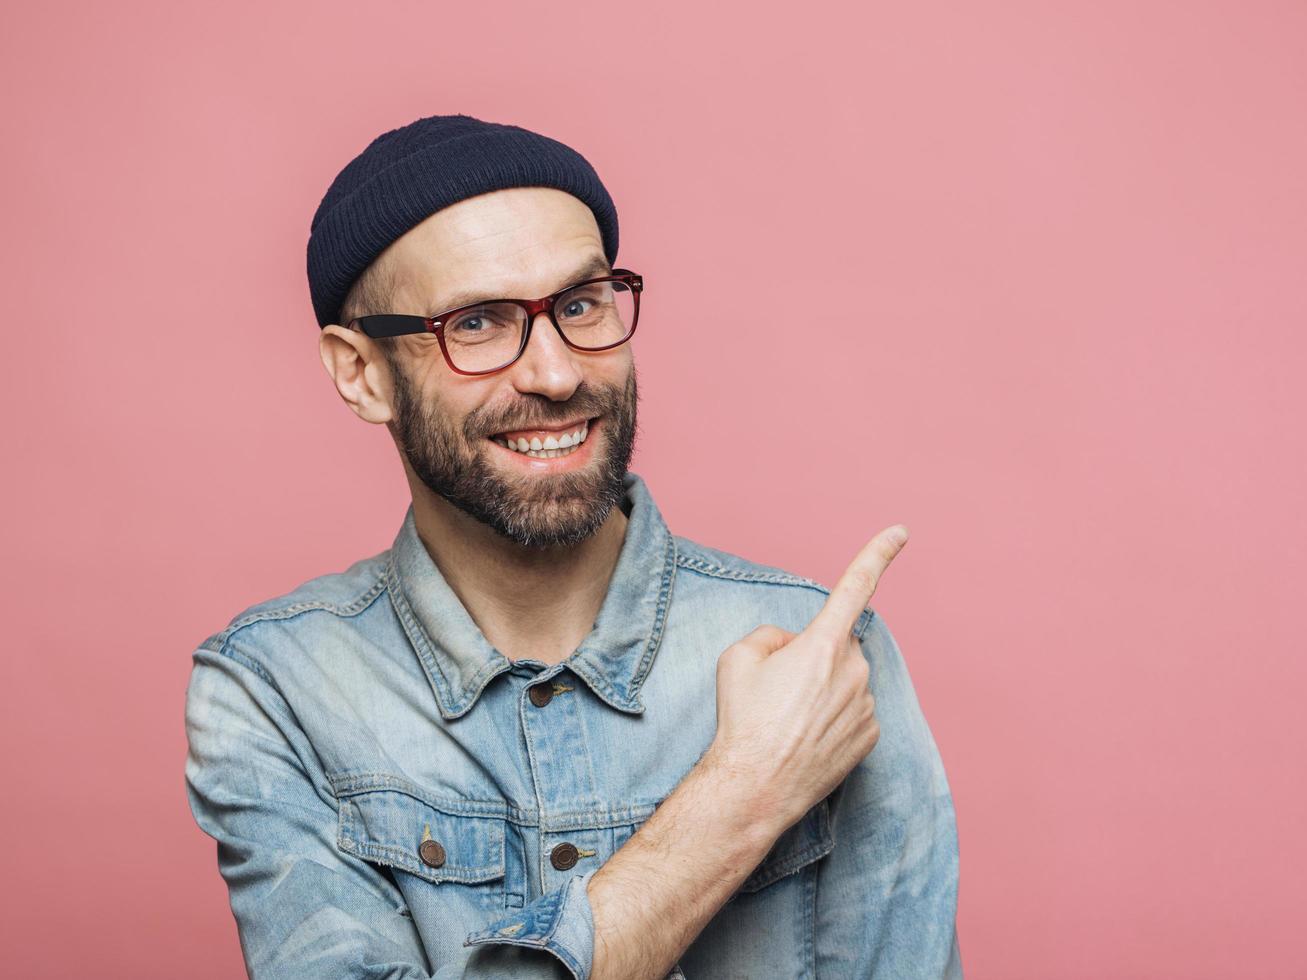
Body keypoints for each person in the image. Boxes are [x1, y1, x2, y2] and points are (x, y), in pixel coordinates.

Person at [183, 113, 962, 979]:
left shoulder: (819, 658)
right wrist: (743, 794)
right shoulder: (276, 691)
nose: (556, 375)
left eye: (582, 305)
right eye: (477, 323)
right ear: (362, 373)